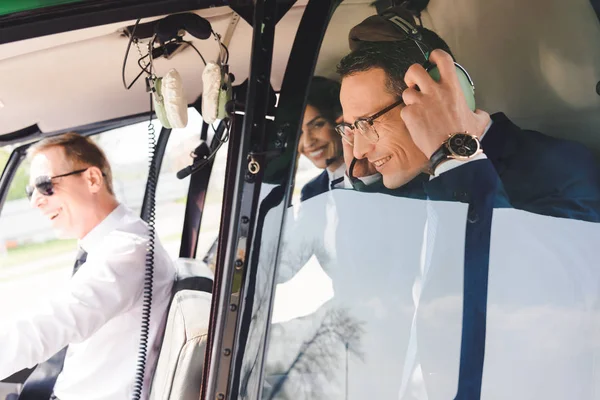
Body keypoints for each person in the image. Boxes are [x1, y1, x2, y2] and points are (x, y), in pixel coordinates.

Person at [336, 6, 600, 222]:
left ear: (434, 94)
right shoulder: (417, 178)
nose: (358, 151)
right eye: (352, 129)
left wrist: (454, 157)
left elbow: (505, 280)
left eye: (367, 123)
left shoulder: (560, 171)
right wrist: (364, 185)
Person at [0, 133, 175, 400]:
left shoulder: (126, 252)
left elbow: (46, 326)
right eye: (30, 191)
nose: (36, 200)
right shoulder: (115, 242)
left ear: (92, 179)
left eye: (45, 185)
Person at [298, 77, 346, 202]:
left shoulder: (381, 181)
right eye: (298, 132)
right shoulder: (310, 192)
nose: (308, 142)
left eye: (317, 125)